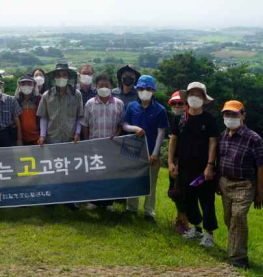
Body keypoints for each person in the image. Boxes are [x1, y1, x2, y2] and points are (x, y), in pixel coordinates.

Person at [217, 100, 263, 269]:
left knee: (238, 216)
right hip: (225, 182)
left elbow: (261, 166)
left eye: (234, 114)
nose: (229, 118)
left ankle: (239, 257)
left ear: (243, 116)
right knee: (228, 218)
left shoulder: (254, 139)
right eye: (227, 114)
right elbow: (220, 159)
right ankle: (233, 249)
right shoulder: (223, 135)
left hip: (244, 184)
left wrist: (259, 192)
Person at [168, 82, 219, 248]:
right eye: (192, 94)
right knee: (188, 200)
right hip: (184, 167)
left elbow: (213, 142)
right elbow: (173, 141)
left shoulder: (209, 119)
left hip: (204, 168)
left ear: (204, 99)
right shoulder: (180, 118)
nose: (194, 98)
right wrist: (170, 162)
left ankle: (209, 233)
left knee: (206, 201)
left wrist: (210, 165)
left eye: (198, 95)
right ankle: (196, 228)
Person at [123, 75, 169, 222]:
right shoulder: (131, 106)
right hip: (133, 150)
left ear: (153, 91)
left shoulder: (160, 110)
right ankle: (132, 208)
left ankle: (149, 212)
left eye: (148, 89)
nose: (144, 91)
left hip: (151, 152)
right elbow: (124, 125)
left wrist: (155, 153)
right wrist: (134, 128)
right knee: (132, 180)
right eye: (141, 88)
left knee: (151, 184)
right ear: (137, 90)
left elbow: (161, 132)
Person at [80, 74, 124, 210]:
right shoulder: (90, 104)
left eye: (107, 85)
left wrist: (116, 136)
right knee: (95, 174)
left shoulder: (118, 103)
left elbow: (121, 125)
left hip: (111, 146)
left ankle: (108, 203)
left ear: (112, 87)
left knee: (110, 174)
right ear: (96, 87)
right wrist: (87, 143)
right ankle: (94, 201)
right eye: (100, 86)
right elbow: (85, 125)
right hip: (94, 145)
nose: (103, 88)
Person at [37, 63, 84, 145]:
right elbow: (44, 117)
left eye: (64, 75)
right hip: (52, 138)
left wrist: (77, 133)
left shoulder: (76, 95)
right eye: (58, 75)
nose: (61, 78)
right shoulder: (46, 95)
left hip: (71, 138)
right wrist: (42, 135)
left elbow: (79, 117)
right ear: (54, 78)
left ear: (68, 77)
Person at [167, 91, 189, 234]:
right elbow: (172, 141)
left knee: (183, 192)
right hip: (174, 161)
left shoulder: (190, 120)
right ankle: (180, 219)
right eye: (174, 104)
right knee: (174, 191)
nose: (177, 106)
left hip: (186, 162)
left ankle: (184, 223)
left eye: (180, 103)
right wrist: (170, 162)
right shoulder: (176, 119)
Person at [15, 74, 41, 145]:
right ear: (19, 85)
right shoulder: (16, 101)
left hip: (38, 138)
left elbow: (43, 118)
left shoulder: (39, 99)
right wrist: (19, 139)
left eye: (29, 83)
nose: (26, 86)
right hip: (22, 139)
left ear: (34, 85)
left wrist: (42, 136)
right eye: (23, 83)